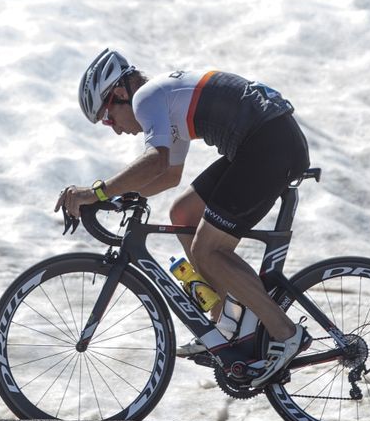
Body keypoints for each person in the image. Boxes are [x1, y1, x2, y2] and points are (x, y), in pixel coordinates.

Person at [56, 48, 312, 387]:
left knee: (208, 249)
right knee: (183, 212)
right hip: (265, 139)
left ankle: (284, 332)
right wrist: (111, 199)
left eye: (108, 118)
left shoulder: (147, 98)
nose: (115, 130)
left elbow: (155, 162)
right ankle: (229, 321)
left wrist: (96, 192)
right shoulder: (163, 100)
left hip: (267, 144)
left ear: (119, 94)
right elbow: (168, 176)